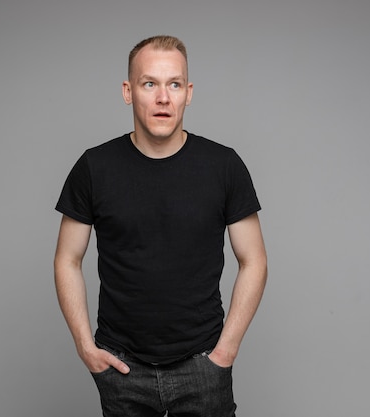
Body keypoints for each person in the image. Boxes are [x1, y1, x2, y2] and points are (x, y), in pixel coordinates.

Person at [54, 35, 267, 417]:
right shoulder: (94, 167)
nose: (163, 97)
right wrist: (85, 346)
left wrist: (226, 350)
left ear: (188, 92)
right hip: (121, 367)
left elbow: (254, 260)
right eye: (149, 83)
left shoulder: (223, 166)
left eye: (174, 84)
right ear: (128, 91)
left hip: (203, 364)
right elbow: (67, 259)